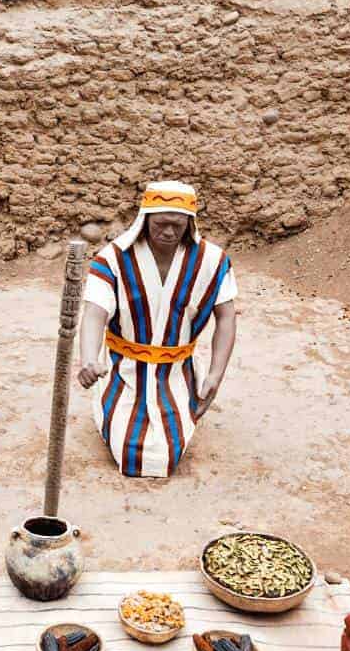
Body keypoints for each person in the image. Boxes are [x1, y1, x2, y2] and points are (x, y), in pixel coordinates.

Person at [76, 181, 238, 478]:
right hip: (123, 371)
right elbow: (94, 312)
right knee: (130, 450)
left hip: (179, 372)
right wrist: (88, 357)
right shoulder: (112, 259)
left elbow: (226, 317)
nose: (168, 232)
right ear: (144, 218)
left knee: (167, 452)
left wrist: (215, 376)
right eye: (160, 223)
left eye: (177, 225)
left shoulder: (212, 261)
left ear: (190, 223)